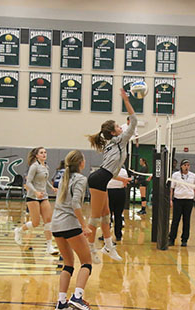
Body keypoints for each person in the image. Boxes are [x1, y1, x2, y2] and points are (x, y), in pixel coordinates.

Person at [86, 88, 135, 263]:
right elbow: (134, 120)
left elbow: (111, 171)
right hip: (98, 180)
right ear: (114, 132)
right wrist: (126, 101)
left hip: (101, 178)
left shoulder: (113, 143)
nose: (121, 127)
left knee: (106, 216)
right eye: (117, 126)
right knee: (95, 217)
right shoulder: (120, 140)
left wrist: (122, 179)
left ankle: (108, 246)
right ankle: (90, 250)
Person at [51, 150, 92, 310]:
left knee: (68, 264)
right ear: (81, 163)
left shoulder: (63, 177)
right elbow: (75, 204)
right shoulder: (81, 179)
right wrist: (84, 225)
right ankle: (77, 297)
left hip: (56, 224)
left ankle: (61, 302)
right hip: (69, 224)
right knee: (86, 262)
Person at [14, 147, 59, 255]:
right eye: (41, 153)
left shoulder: (46, 166)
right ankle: (19, 230)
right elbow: (28, 182)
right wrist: (35, 192)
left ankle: (49, 247)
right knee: (35, 222)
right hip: (33, 197)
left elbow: (45, 179)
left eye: (45, 152)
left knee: (48, 221)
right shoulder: (34, 167)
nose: (44, 154)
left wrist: (51, 188)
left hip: (44, 196)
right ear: (37, 155)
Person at [169, 159, 195, 247]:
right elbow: (171, 188)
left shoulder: (193, 176)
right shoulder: (175, 175)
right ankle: (171, 239)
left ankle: (184, 240)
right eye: (185, 165)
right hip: (178, 200)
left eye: (188, 165)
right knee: (175, 220)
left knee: (186, 220)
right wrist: (170, 199)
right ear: (181, 166)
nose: (186, 167)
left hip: (189, 201)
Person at [107, 167, 128, 241]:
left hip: (109, 193)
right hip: (120, 192)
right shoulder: (124, 171)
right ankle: (118, 235)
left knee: (107, 215)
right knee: (118, 215)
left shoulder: (108, 170)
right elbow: (125, 184)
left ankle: (105, 235)